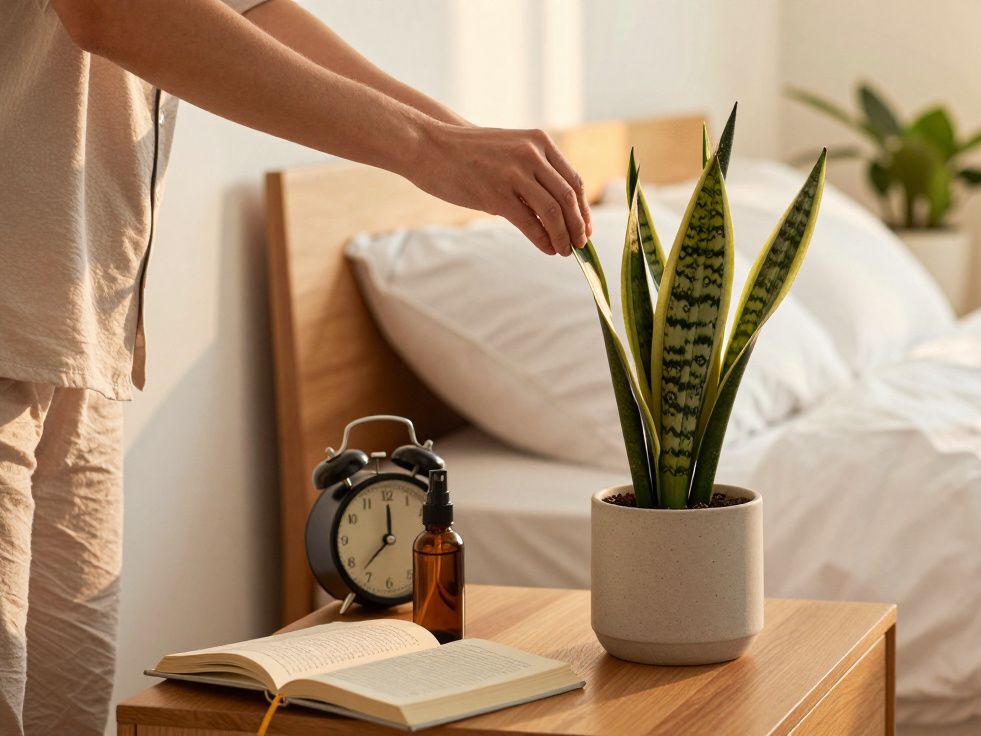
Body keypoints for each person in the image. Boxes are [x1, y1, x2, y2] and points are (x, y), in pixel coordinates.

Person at [0, 1, 594, 733]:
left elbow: (253, 10)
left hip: (78, 334)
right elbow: (112, 11)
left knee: (68, 714)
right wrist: (430, 146)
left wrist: (461, 144)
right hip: (21, 323)